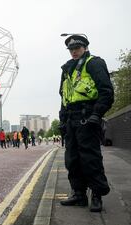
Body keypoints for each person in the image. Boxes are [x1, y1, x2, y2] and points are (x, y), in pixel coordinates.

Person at [58, 34, 114, 212]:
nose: (74, 52)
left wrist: (97, 114)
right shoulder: (67, 69)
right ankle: (79, 194)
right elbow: (64, 96)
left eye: (77, 48)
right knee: (72, 159)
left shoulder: (94, 63)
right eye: (71, 49)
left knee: (90, 158)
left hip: (88, 117)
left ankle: (97, 195)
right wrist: (62, 120)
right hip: (71, 119)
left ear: (85, 47)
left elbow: (106, 91)